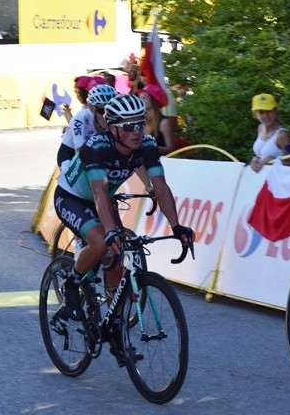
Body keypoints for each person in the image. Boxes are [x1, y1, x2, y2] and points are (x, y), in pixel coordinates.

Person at [53, 94, 194, 322]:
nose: (137, 130)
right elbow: (99, 191)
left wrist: (176, 226)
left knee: (115, 262)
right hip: (72, 197)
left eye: (141, 122)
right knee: (101, 241)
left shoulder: (146, 145)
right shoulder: (97, 146)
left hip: (101, 197)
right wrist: (109, 231)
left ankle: (116, 331)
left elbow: (160, 186)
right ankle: (72, 284)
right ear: (113, 128)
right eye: (128, 126)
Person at [56, 84, 117, 170]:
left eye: (112, 111)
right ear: (92, 109)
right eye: (102, 110)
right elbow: (80, 155)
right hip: (70, 153)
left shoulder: (117, 120)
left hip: (95, 151)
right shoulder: (81, 118)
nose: (106, 116)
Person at [249, 93, 290, 172]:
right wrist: (256, 159)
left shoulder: (282, 135)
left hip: (278, 180)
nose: (266, 115)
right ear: (255, 114)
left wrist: (273, 160)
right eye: (261, 112)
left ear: (275, 111)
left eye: (269, 111)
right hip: (262, 179)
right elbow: (261, 154)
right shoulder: (260, 128)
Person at [141, 83, 182, 156]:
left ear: (153, 100)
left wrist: (151, 147)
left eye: (144, 97)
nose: (140, 100)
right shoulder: (140, 120)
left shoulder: (164, 123)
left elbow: (171, 149)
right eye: (140, 97)